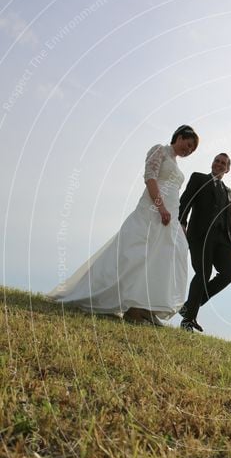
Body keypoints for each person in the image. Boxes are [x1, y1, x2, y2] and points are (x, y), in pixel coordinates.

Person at [48, 125, 200, 325]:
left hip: (169, 220)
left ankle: (146, 305)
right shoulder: (159, 151)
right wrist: (161, 208)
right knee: (137, 256)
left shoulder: (177, 166)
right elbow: (150, 178)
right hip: (152, 213)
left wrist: (177, 221)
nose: (188, 150)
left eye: (192, 149)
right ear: (179, 137)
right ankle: (132, 306)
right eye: (188, 145)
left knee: (166, 258)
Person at [178, 152, 231, 332]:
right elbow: (186, 200)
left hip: (222, 239)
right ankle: (188, 319)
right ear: (212, 163)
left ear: (227, 169)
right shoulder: (198, 178)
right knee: (203, 272)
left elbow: (230, 219)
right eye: (217, 161)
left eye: (223, 163)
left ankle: (190, 306)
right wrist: (182, 222)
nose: (219, 164)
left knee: (229, 274)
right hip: (200, 235)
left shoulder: (228, 192)